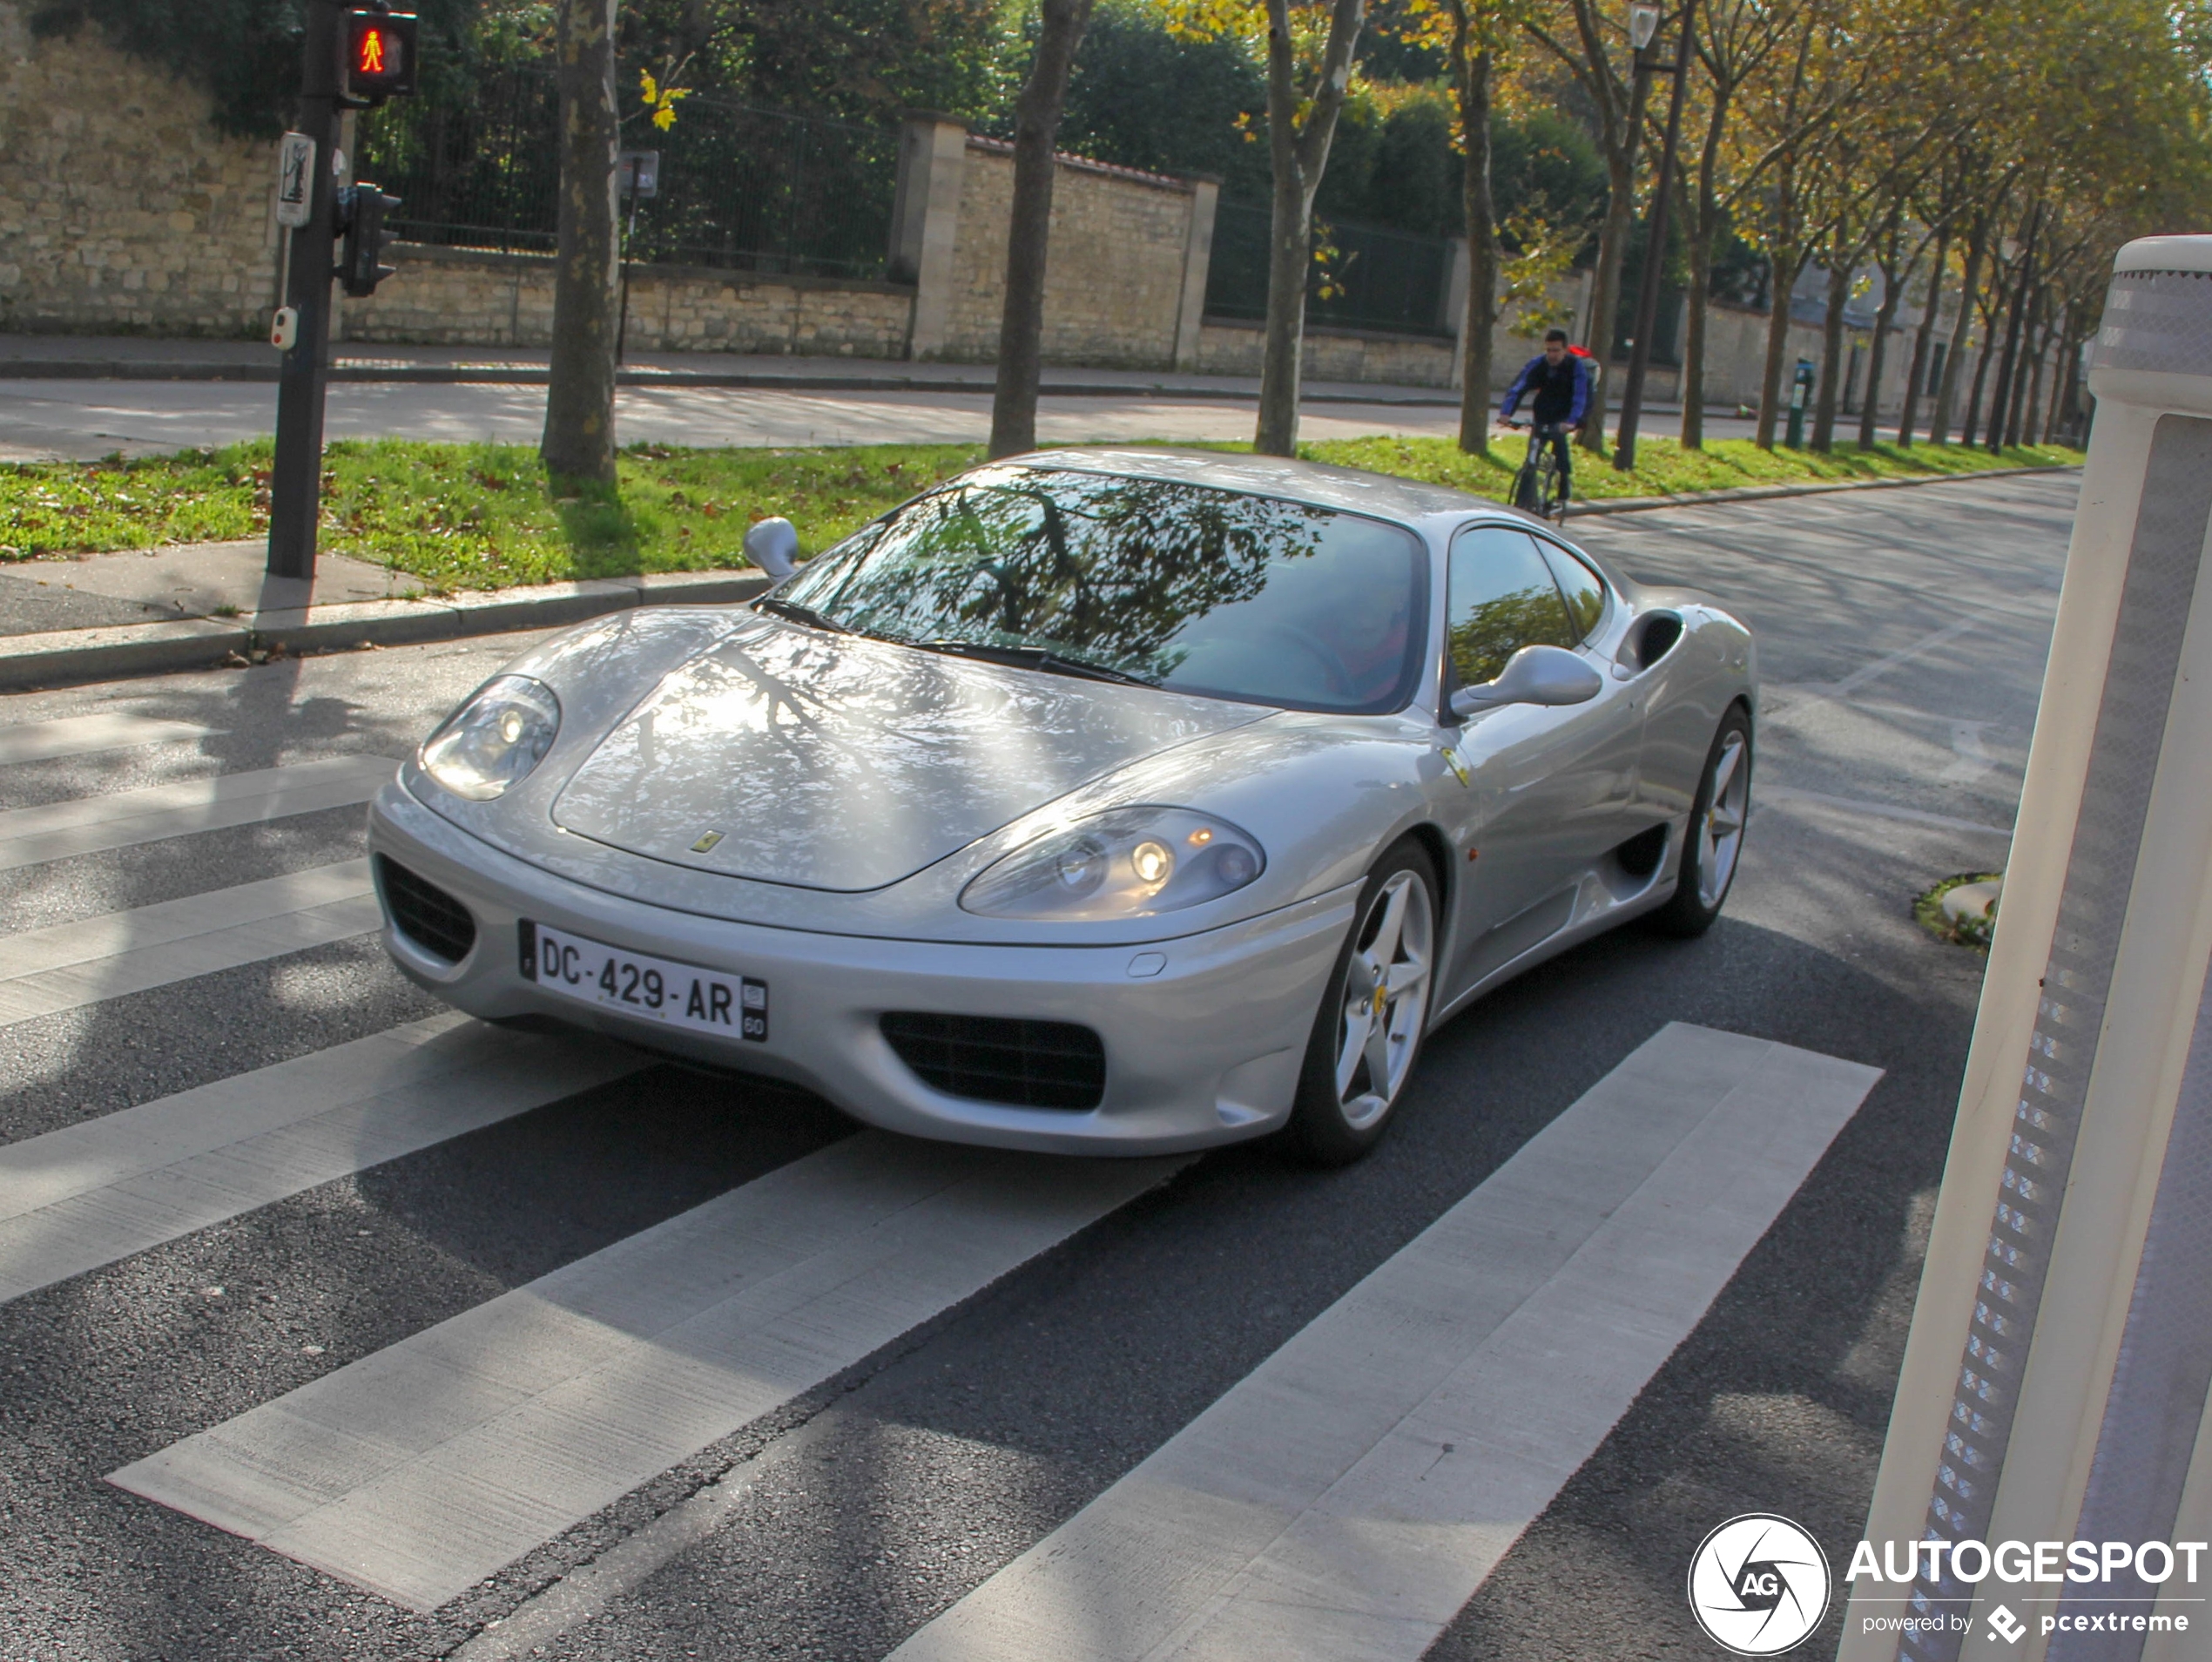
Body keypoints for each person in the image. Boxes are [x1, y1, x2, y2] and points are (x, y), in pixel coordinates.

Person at [1499, 328, 1592, 496]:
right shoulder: (1538, 364)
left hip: (1565, 413)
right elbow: (1519, 387)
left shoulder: (1575, 367)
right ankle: (1526, 495)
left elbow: (1580, 396)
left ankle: (1564, 479)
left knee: (1559, 440)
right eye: (1548, 350)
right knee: (1532, 455)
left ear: (1565, 350)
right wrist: (1506, 413)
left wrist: (1572, 421)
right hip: (1543, 411)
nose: (1552, 355)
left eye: (1556, 350)